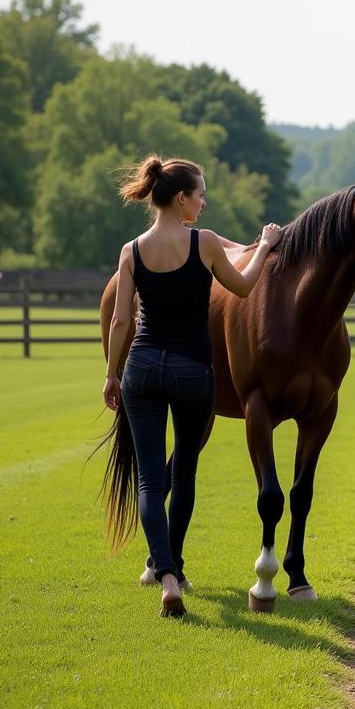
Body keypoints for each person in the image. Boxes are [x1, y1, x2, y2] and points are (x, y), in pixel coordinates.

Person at [102, 155, 281, 618]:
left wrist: (110, 373)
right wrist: (264, 245)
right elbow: (242, 287)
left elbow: (122, 319)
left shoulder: (131, 251)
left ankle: (166, 576)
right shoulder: (203, 245)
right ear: (181, 197)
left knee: (149, 480)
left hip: (141, 366)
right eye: (200, 194)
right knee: (182, 473)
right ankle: (175, 567)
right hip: (192, 372)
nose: (203, 202)